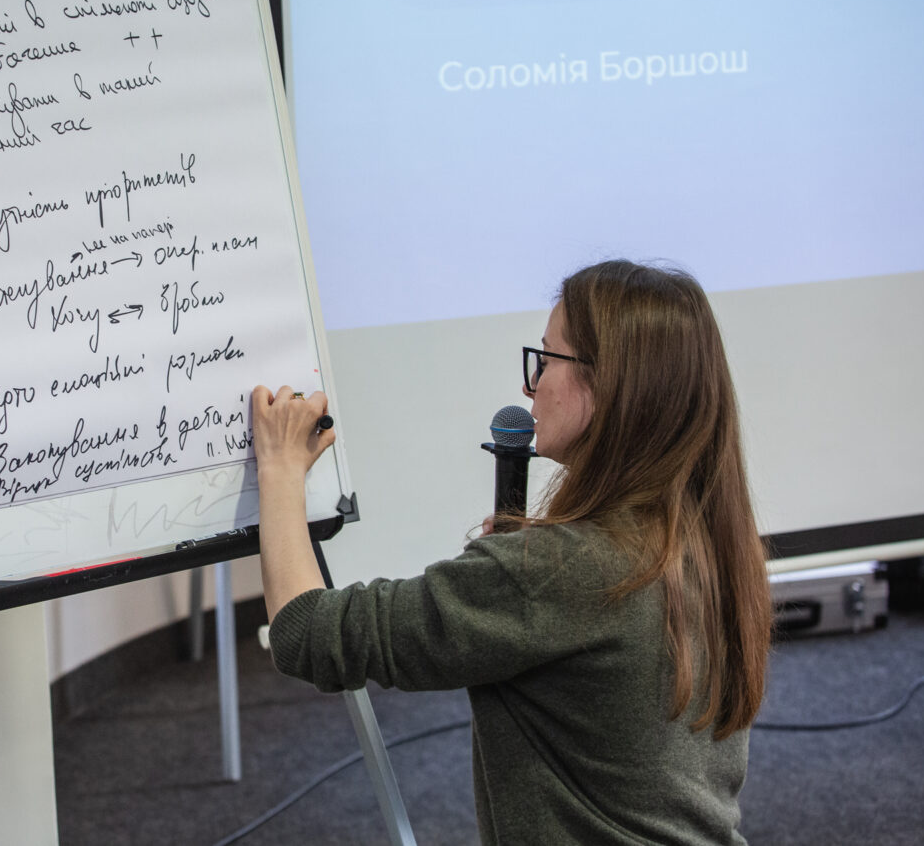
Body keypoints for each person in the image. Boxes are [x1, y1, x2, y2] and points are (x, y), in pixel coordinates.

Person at [251, 260, 771, 844]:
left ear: (609, 384)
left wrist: (279, 469)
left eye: (547, 359)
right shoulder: (708, 542)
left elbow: (304, 632)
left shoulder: (562, 569)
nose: (531, 385)